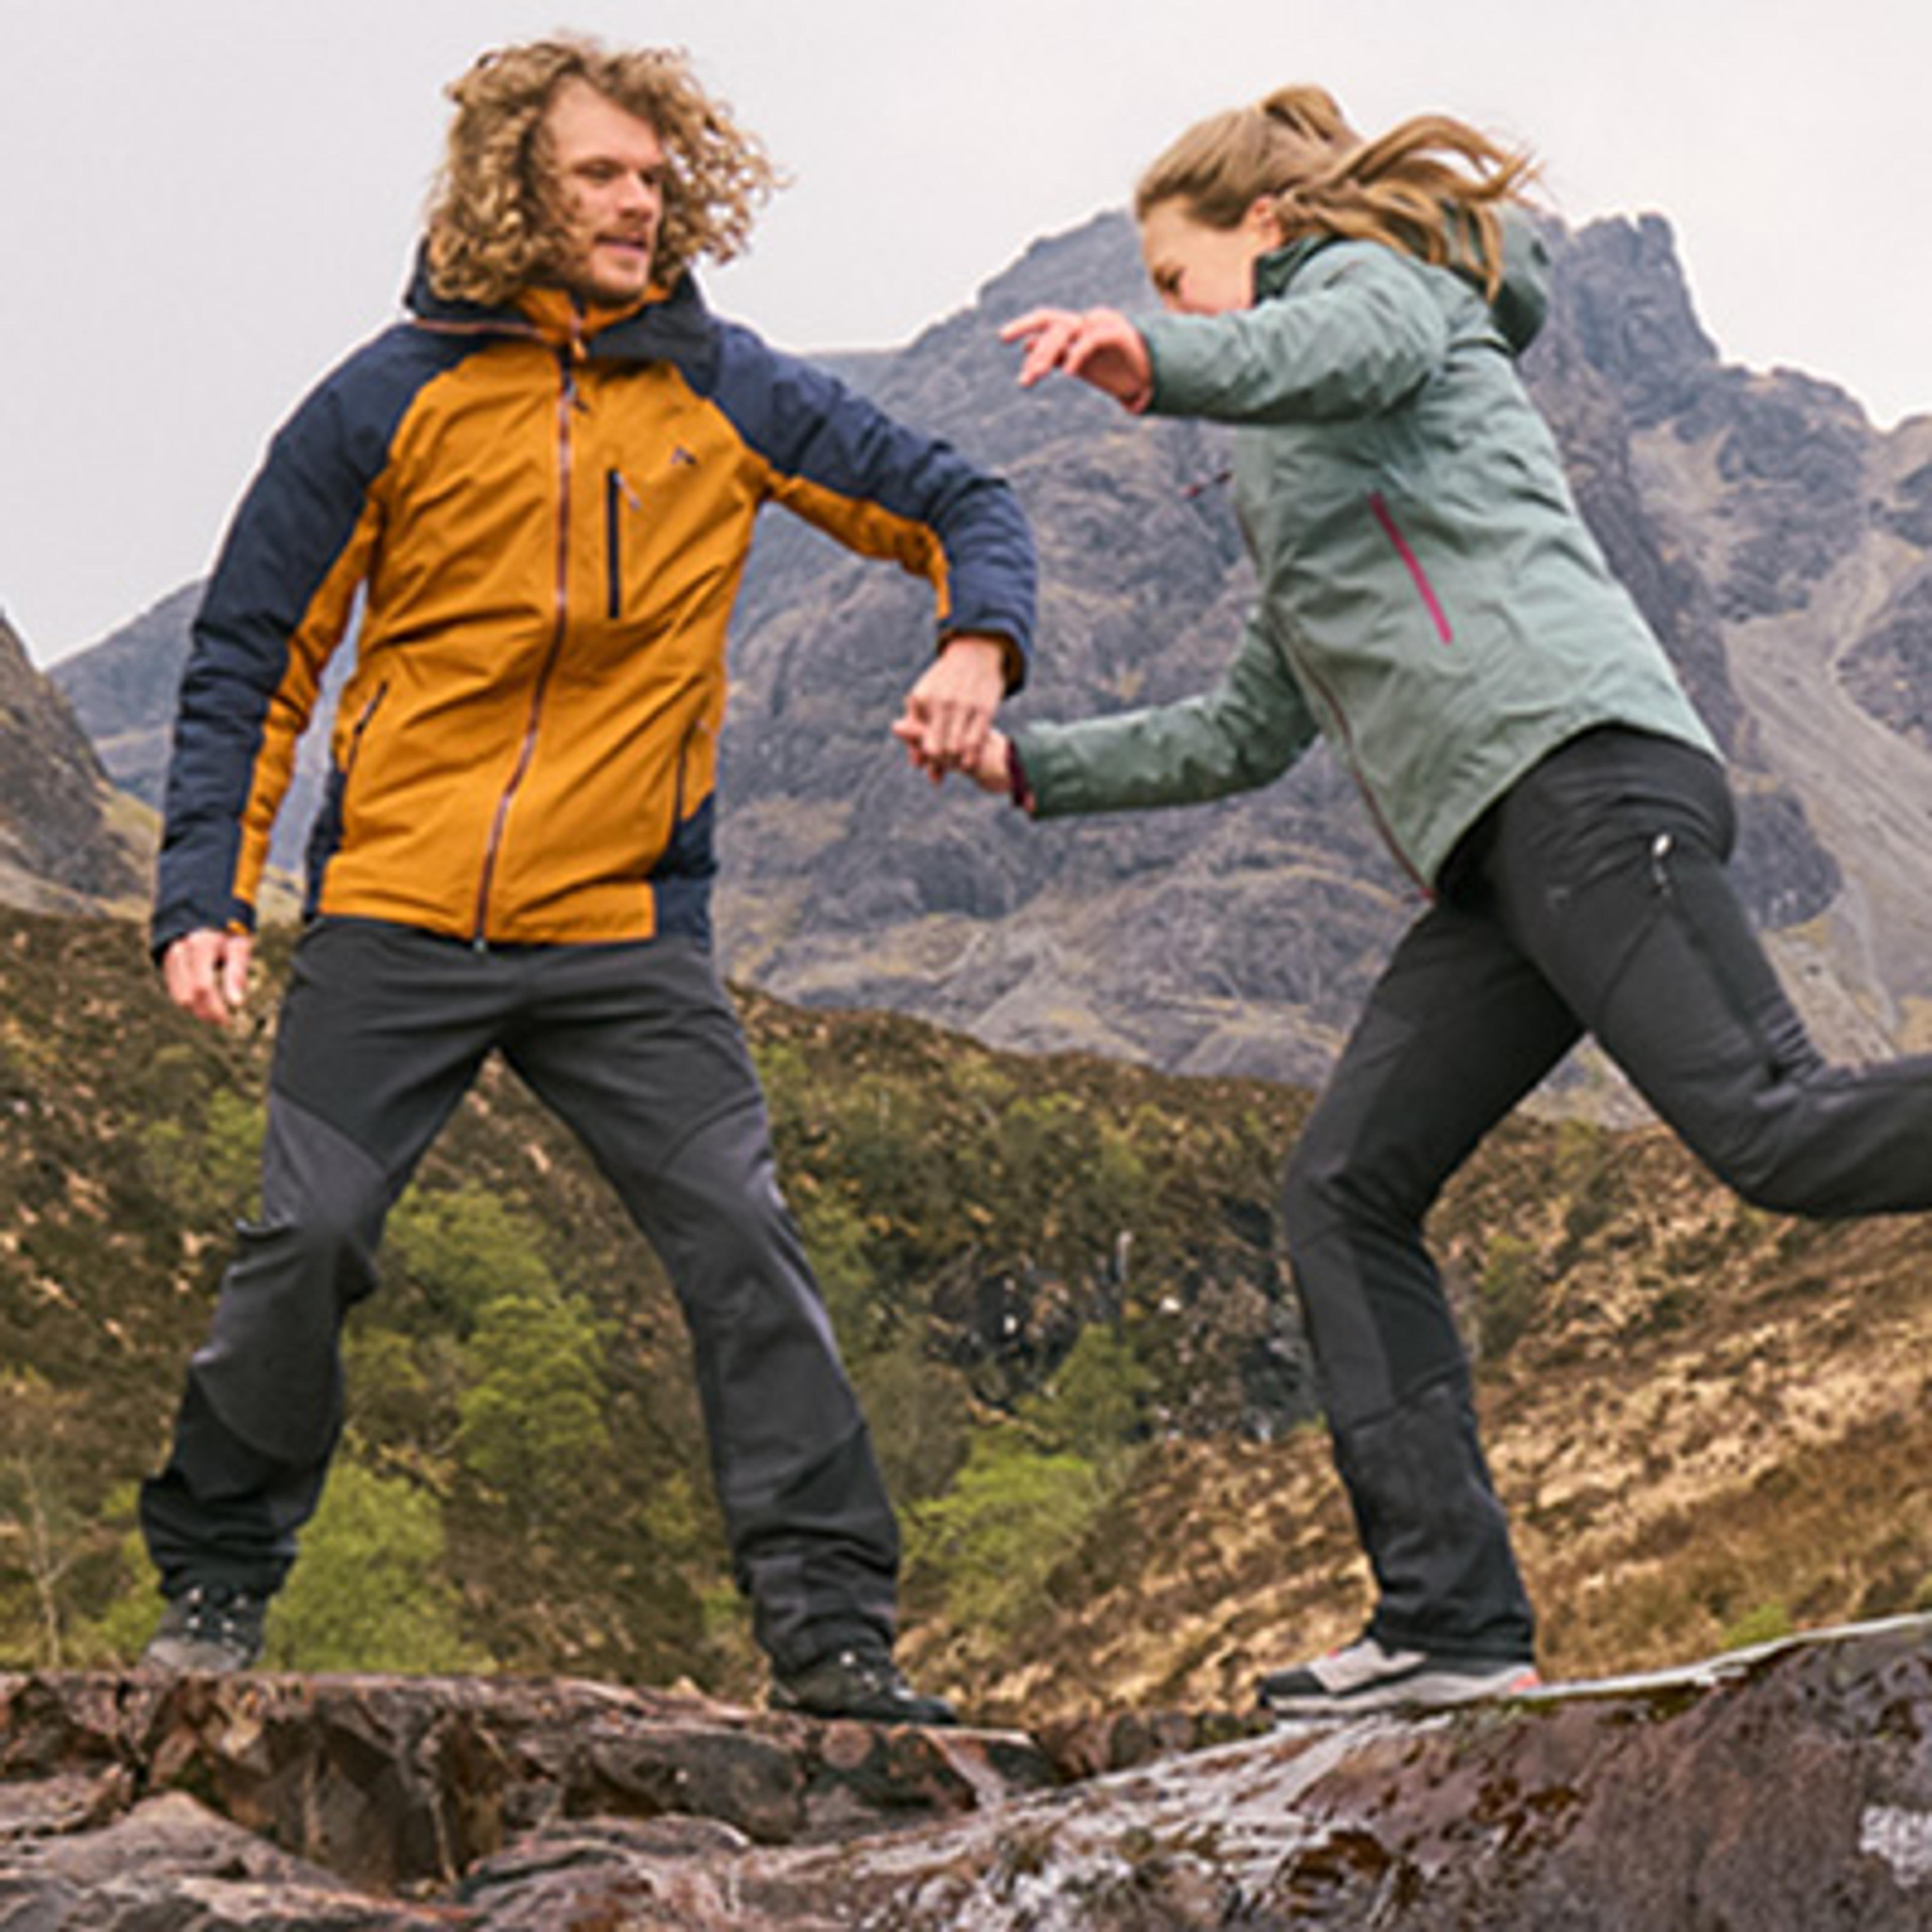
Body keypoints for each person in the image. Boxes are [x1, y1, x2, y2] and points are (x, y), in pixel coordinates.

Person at [899, 84, 1932, 1716]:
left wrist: (1149, 358)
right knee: (1344, 1190)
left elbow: (1318, 352)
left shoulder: (1390, 294)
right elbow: (1250, 724)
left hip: (1586, 776)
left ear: (1269, 228)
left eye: (1178, 277)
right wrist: (1035, 770)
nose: (1168, 313)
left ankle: (1452, 1621)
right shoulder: (1297, 474)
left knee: (1773, 1133)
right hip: (1498, 862)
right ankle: (1453, 1626)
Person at [139, 34, 1035, 1725]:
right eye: (602, 176)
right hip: (397, 915)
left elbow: (957, 496)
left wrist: (981, 636)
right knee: (310, 1236)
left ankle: (836, 1642)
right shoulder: (380, 401)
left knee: (742, 1246)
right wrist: (209, 892)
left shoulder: (733, 391)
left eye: (655, 176)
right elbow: (256, 655)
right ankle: (213, 1585)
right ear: (511, 190)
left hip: (626, 931)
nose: (641, 204)